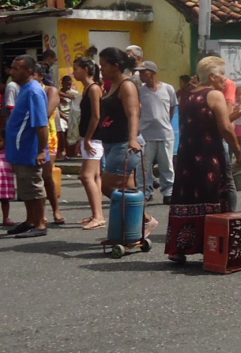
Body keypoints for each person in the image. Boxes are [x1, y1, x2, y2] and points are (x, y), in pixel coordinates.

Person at [165, 56, 241, 263]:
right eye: (222, 75)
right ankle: (215, 247)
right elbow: (225, 127)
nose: (225, 80)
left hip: (186, 155)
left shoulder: (186, 95)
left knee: (186, 197)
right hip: (209, 155)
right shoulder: (214, 95)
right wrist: (239, 152)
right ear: (212, 76)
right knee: (213, 197)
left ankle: (179, 248)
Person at [97, 47, 158, 238]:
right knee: (126, 189)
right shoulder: (112, 84)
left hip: (124, 143)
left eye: (104, 65)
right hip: (111, 142)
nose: (101, 68)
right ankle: (133, 226)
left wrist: (132, 138)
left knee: (106, 186)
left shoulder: (126, 85)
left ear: (116, 66)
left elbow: (133, 113)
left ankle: (146, 219)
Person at [4, 55, 50, 238]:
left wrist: (41, 150)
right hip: (19, 149)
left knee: (34, 186)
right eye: (12, 68)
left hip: (30, 149)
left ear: (29, 71)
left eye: (17, 68)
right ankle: (30, 220)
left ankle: (39, 223)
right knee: (25, 188)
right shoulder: (23, 89)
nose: (12, 71)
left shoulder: (34, 91)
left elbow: (41, 124)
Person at [138, 61, 177, 205]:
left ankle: (168, 191)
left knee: (166, 165)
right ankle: (145, 191)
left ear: (152, 73)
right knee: (144, 166)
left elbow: (172, 108)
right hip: (146, 134)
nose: (141, 75)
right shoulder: (140, 91)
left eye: (143, 72)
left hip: (164, 133)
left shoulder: (168, 89)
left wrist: (164, 121)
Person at [74, 57, 106, 230]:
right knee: (95, 176)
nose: (74, 72)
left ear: (86, 69)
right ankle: (97, 213)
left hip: (94, 138)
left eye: (76, 69)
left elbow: (96, 115)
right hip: (89, 137)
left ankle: (99, 216)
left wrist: (87, 138)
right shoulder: (87, 88)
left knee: (86, 176)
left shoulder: (93, 88)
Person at [39, 69, 65, 226]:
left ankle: (56, 209)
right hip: (32, 136)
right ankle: (40, 213)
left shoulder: (50, 91)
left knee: (46, 175)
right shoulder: (25, 91)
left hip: (48, 136)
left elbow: (46, 113)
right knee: (35, 178)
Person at [57, 75, 76, 160]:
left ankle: (72, 151)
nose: (68, 84)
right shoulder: (58, 93)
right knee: (60, 124)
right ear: (62, 83)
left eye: (70, 82)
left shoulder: (75, 94)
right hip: (62, 116)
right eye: (66, 82)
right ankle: (62, 149)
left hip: (73, 116)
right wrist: (65, 117)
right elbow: (57, 109)